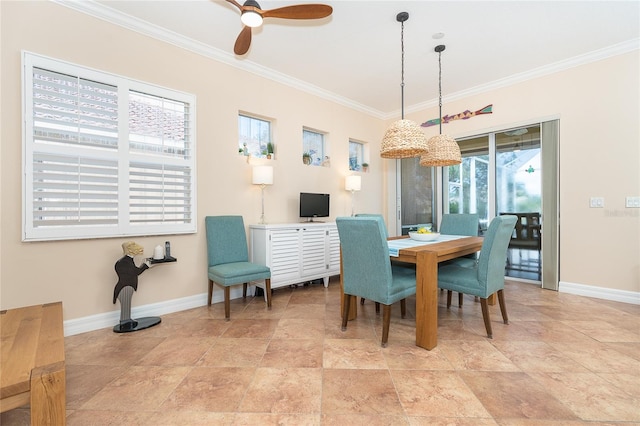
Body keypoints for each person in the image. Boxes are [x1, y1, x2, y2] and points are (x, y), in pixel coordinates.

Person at [113, 241, 151, 329]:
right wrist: (146, 266)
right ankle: (124, 321)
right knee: (126, 304)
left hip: (127, 286)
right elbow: (135, 272)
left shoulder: (127, 261)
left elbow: (132, 271)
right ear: (129, 249)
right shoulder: (124, 262)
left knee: (127, 304)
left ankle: (127, 319)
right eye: (133, 245)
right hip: (125, 287)